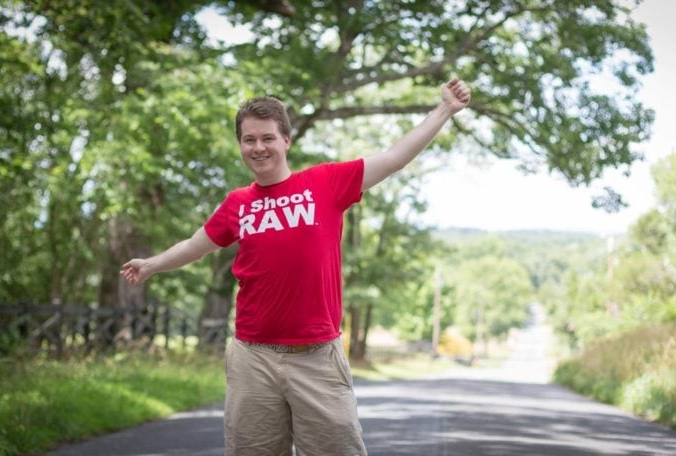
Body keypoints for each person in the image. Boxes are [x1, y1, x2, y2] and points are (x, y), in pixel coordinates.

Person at [120, 77, 471, 455]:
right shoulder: (238, 203)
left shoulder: (325, 183)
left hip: (316, 357)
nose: (258, 147)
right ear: (240, 144)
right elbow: (195, 245)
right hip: (253, 358)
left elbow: (394, 158)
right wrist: (151, 265)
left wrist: (445, 109)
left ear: (286, 140)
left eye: (267, 138)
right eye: (249, 139)